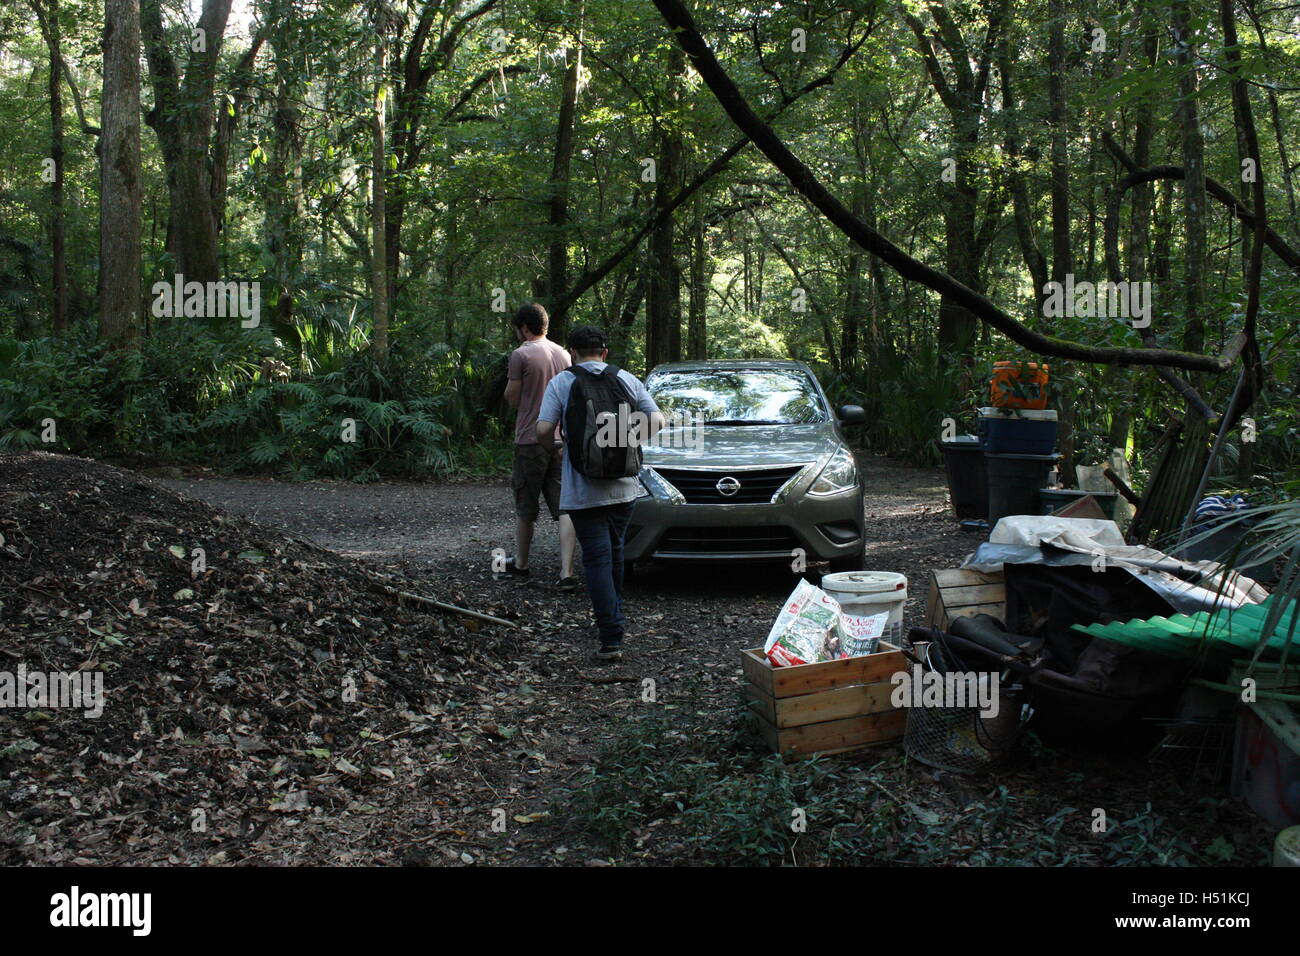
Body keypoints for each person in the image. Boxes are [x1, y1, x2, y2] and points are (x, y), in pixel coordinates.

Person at [536, 325, 664, 661]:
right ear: (604, 352)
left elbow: (543, 429)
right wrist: (628, 439)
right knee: (616, 551)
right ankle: (615, 623)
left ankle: (611, 637)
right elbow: (658, 421)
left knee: (596, 557)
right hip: (624, 487)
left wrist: (557, 448)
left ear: (573, 352)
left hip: (582, 488)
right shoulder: (626, 378)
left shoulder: (563, 382)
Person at [502, 302, 578, 590]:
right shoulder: (563, 354)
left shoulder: (521, 354)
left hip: (530, 438)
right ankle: (566, 571)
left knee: (526, 505)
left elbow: (512, 396)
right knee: (564, 507)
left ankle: (521, 563)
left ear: (523, 327)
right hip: (560, 438)